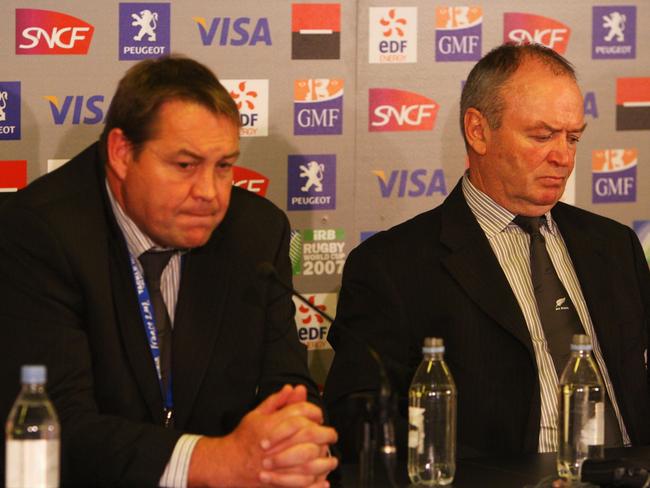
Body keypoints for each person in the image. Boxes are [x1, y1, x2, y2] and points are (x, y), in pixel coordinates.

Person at [0, 55, 337, 487]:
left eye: (224, 166)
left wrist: (295, 441)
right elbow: (54, 425)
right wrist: (217, 460)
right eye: (185, 165)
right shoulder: (37, 233)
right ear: (122, 153)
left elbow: (286, 384)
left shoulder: (254, 232)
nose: (210, 194)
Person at [324, 43, 650, 461]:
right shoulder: (393, 266)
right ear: (478, 130)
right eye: (542, 135)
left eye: (573, 138)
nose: (562, 157)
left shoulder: (613, 245)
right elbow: (357, 419)